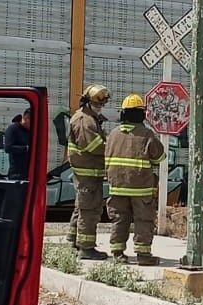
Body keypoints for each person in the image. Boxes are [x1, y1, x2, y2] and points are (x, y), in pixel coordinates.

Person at [105, 93, 165, 266]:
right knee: (143, 220)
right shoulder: (146, 134)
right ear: (141, 114)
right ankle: (143, 255)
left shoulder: (113, 134)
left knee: (119, 219)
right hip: (141, 188)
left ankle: (117, 253)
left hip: (116, 187)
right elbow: (159, 157)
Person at [67, 84, 111, 259]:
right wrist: (113, 148)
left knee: (81, 207)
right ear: (88, 102)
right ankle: (86, 248)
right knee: (90, 210)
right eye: (97, 104)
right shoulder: (85, 120)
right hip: (88, 172)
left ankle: (72, 240)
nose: (100, 107)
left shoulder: (89, 118)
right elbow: (93, 146)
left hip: (88, 172)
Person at [3, 109, 30, 180]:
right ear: (26, 119)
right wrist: (26, 148)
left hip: (29, 173)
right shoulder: (13, 129)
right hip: (16, 174)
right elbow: (8, 148)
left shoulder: (30, 131)